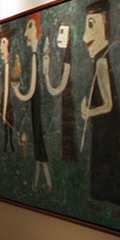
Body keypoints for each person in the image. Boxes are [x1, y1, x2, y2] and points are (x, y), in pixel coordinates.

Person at [80, 0, 120, 208]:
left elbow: (108, 105)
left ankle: (109, 199)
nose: (85, 37)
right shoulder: (100, 60)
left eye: (91, 25)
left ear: (105, 26)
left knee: (106, 161)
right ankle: (110, 199)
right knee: (108, 161)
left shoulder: (101, 61)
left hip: (106, 127)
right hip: (105, 127)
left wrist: (88, 112)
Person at [13, 14, 51, 191]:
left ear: (38, 30)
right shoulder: (33, 57)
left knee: (40, 153)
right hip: (35, 111)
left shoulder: (38, 56)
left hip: (40, 112)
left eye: (30, 27)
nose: (25, 33)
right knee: (39, 154)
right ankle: (40, 184)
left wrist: (16, 89)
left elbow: (29, 93)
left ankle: (42, 184)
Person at [43, 22, 76, 163]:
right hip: (65, 103)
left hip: (69, 105)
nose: (58, 37)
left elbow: (57, 88)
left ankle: (70, 156)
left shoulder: (68, 60)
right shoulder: (63, 58)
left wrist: (46, 74)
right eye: (59, 32)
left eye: (62, 32)